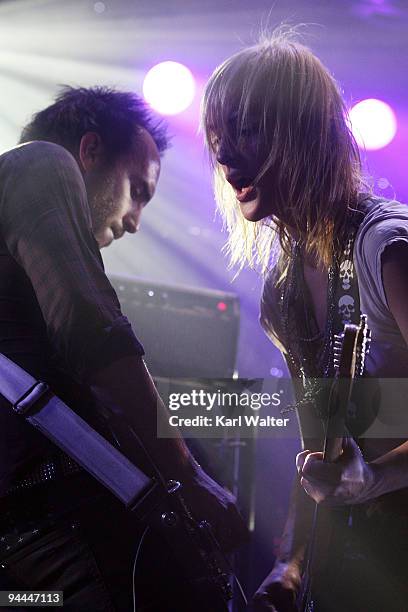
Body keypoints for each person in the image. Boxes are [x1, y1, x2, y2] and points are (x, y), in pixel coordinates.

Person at [0, 86, 244, 611]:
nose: (135, 221)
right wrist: (187, 475)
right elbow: (91, 328)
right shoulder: (40, 163)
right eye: (137, 190)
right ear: (88, 153)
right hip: (60, 542)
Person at [201, 31, 408, 612]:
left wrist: (379, 478)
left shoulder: (388, 251)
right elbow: (320, 447)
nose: (223, 155)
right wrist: (289, 563)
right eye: (219, 137)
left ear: (304, 132)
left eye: (246, 129)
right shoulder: (283, 291)